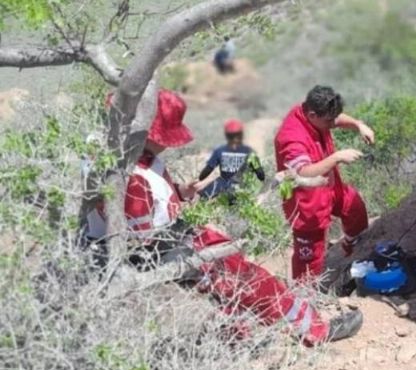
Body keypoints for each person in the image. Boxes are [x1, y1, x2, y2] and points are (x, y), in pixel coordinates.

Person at [90, 89, 362, 345]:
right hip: (168, 249)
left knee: (234, 271)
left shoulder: (121, 155)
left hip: (173, 238)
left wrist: (179, 192)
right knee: (254, 282)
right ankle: (315, 330)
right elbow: (142, 240)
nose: (166, 146)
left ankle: (240, 334)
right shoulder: (131, 179)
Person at [274, 85, 375, 282]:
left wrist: (358, 124)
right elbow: (301, 172)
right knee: (310, 260)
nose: (332, 124)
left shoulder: (313, 113)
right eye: (329, 121)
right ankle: (306, 300)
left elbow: (337, 118)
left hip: (330, 186)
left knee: (354, 208)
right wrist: (337, 157)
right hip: (307, 204)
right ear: (312, 115)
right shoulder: (291, 137)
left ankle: (351, 247)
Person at [198, 118, 265, 200]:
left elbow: (208, 169)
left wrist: (200, 179)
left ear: (226, 135)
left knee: (203, 197)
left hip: (223, 183)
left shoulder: (220, 151)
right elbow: (261, 174)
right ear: (241, 134)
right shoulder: (249, 151)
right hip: (242, 186)